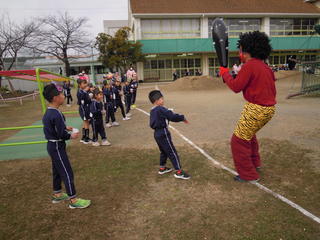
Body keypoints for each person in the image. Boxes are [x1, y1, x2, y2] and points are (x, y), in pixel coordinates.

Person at [219, 31, 276, 182]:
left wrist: (225, 73)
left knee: (238, 140)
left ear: (245, 50)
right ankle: (255, 162)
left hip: (256, 109)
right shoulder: (265, 67)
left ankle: (249, 175)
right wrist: (240, 73)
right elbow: (259, 83)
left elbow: (236, 87)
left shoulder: (249, 66)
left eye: (240, 49)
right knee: (249, 135)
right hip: (268, 109)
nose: (239, 53)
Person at [42, 83, 91, 209]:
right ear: (55, 98)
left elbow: (53, 128)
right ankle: (73, 200)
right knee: (67, 172)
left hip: (52, 146)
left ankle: (57, 194)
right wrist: (70, 136)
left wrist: (65, 128)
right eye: (61, 94)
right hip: (57, 146)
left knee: (57, 170)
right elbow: (60, 134)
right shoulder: (56, 113)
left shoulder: (49, 112)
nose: (64, 96)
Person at [149, 90, 191, 180]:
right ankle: (179, 172)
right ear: (156, 101)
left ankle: (162, 168)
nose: (163, 100)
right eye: (161, 99)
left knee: (164, 151)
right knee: (172, 151)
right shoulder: (160, 109)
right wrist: (182, 117)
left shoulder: (152, 110)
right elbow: (172, 117)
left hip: (157, 134)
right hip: (163, 133)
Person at [77, 79, 92, 144]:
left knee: (85, 123)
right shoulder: (80, 92)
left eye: (85, 83)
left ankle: (83, 137)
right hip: (83, 109)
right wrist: (89, 96)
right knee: (86, 123)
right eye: (84, 83)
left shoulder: (82, 91)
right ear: (80, 85)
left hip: (85, 108)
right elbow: (82, 102)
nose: (85, 85)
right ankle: (86, 139)